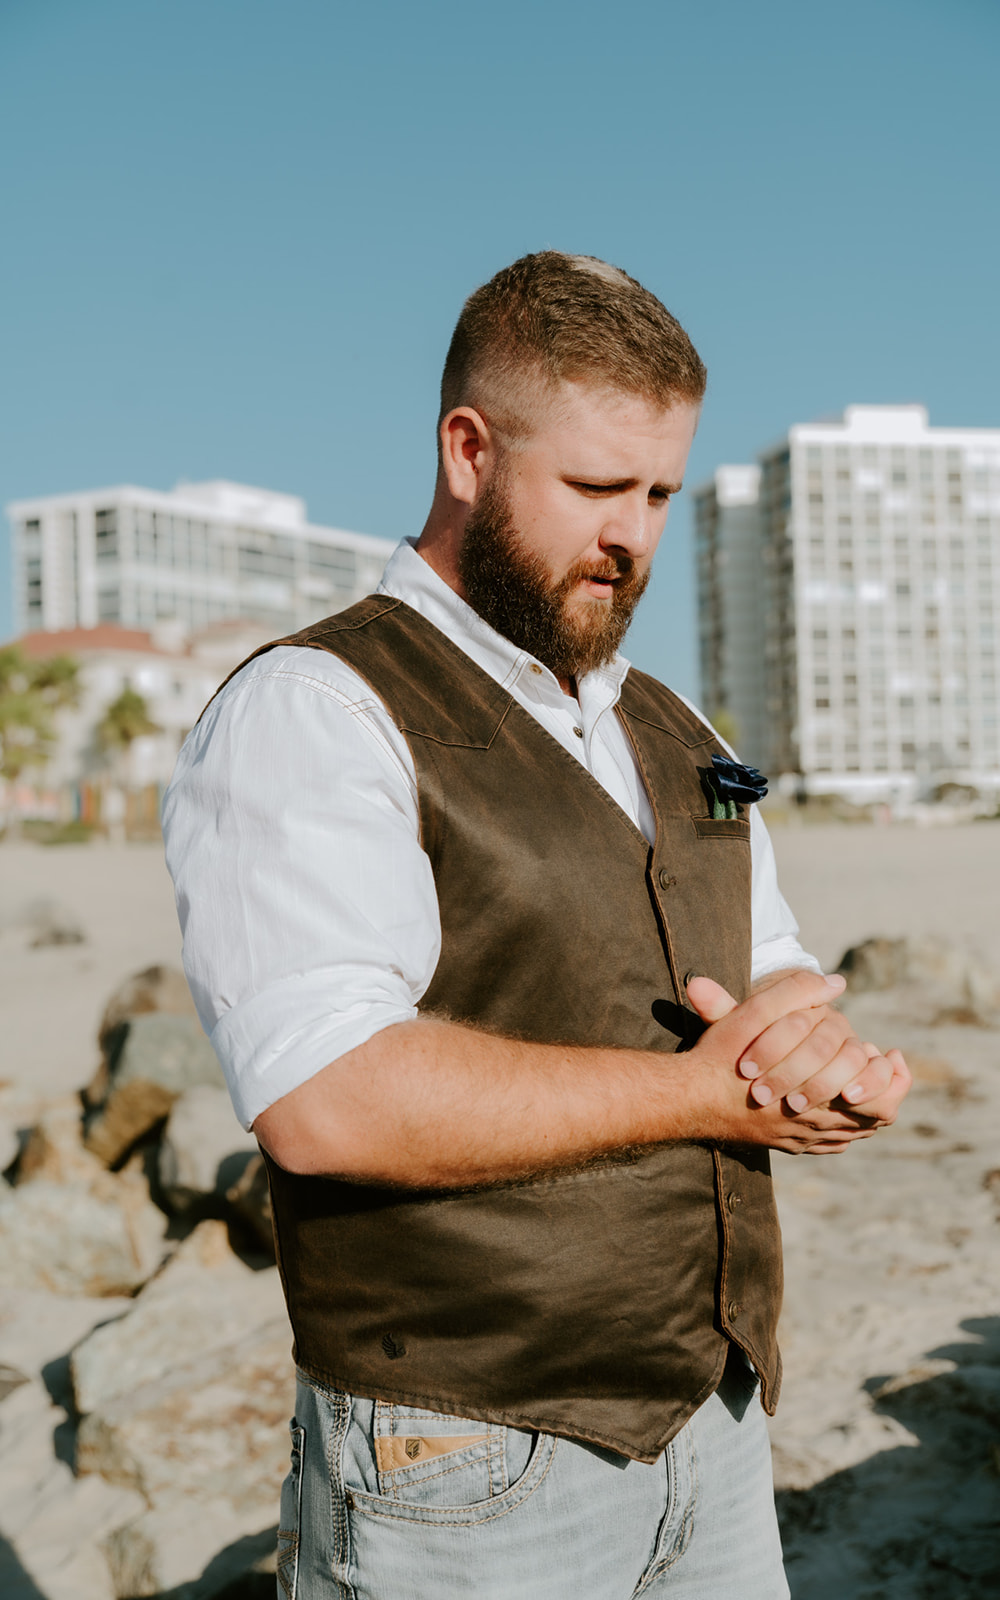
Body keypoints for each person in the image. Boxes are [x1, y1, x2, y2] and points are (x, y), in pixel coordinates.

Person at [163, 251, 911, 1600]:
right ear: (468, 450)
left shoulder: (673, 727)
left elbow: (769, 973)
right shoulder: (317, 709)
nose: (630, 535)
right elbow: (327, 1101)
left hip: (714, 1423)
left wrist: (820, 1062)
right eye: (593, 488)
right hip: (459, 1458)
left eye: (661, 494)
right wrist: (699, 1097)